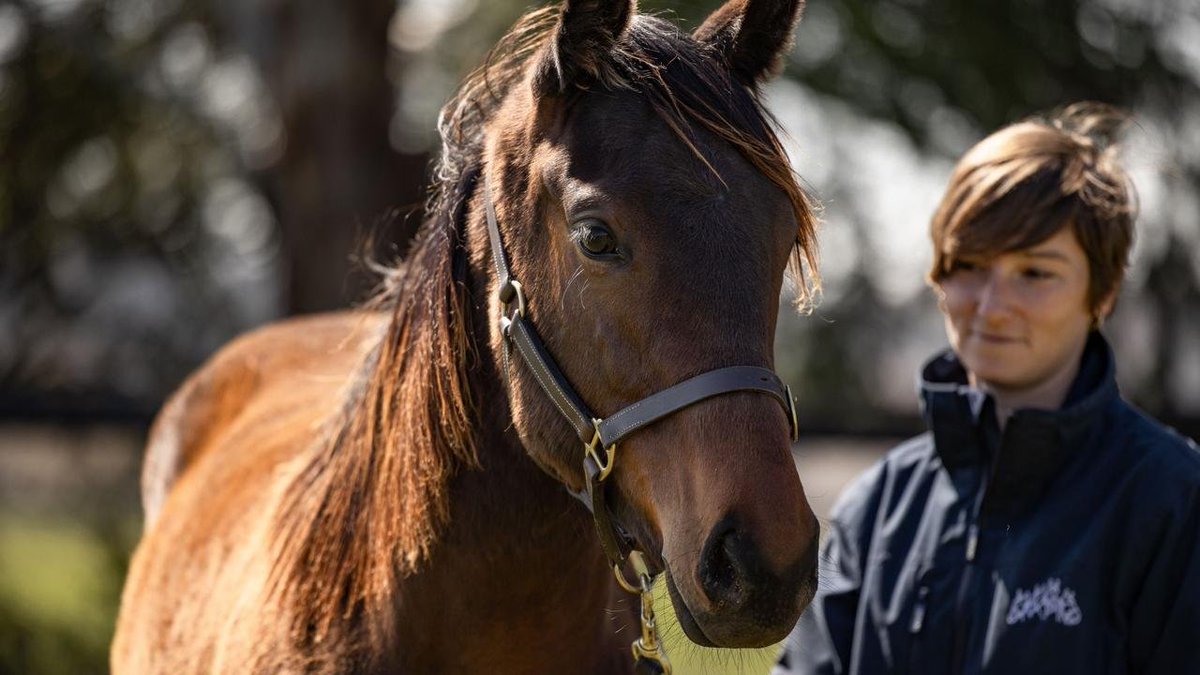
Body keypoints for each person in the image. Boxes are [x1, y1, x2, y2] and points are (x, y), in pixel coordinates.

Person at [774, 103, 1200, 674]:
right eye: (970, 265)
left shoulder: (1173, 502)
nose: (993, 307)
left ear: (1102, 293)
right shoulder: (875, 510)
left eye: (1036, 273)